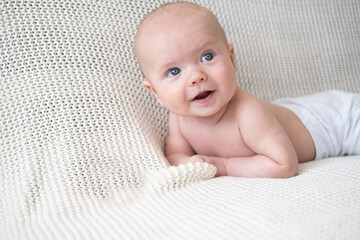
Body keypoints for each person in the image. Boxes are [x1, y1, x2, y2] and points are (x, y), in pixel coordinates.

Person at [134, 2, 360, 178]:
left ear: (232, 59)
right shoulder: (179, 119)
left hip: (338, 120)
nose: (196, 77)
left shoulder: (247, 112)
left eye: (207, 56)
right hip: (287, 113)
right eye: (174, 71)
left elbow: (283, 165)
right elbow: (175, 155)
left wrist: (225, 166)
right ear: (156, 93)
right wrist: (189, 163)